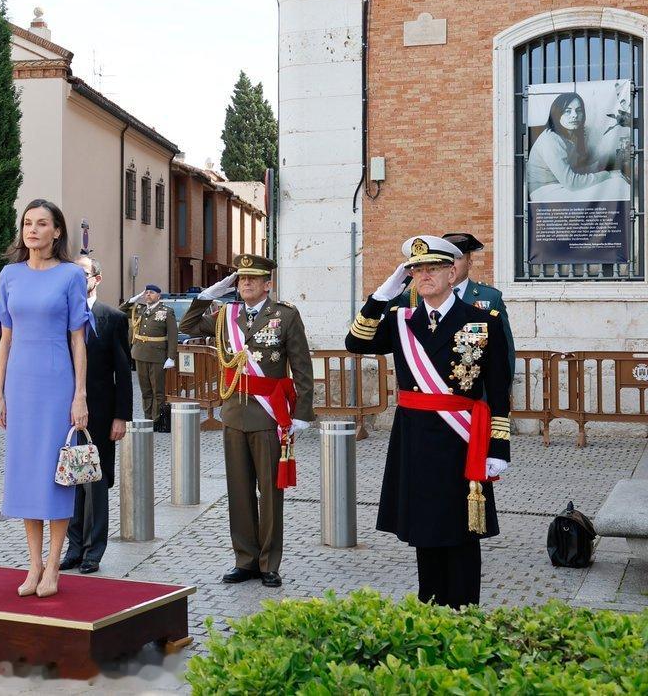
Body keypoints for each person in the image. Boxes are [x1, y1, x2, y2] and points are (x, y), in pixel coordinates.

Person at [345, 235, 512, 609]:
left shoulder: (483, 322)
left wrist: (498, 448)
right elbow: (355, 341)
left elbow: (498, 390)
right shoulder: (401, 321)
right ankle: (430, 609)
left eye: (433, 268)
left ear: (452, 273)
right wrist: (382, 294)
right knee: (426, 530)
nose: (424, 276)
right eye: (417, 270)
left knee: (462, 530)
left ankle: (465, 610)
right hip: (415, 441)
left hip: (462, 441)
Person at [179, 254, 314, 588]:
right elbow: (187, 326)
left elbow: (302, 366)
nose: (246, 284)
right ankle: (246, 559)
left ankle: (269, 562)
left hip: (269, 415)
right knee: (238, 491)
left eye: (253, 279)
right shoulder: (227, 315)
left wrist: (303, 414)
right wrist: (209, 294)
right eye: (241, 280)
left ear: (268, 283)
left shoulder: (285, 315)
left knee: (269, 492)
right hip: (235, 414)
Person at [0, 199, 90, 598]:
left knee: (55, 475)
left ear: (57, 231)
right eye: (27, 223)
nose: (32, 230)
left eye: (42, 223)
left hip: (55, 383)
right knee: (27, 474)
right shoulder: (9, 275)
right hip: (19, 383)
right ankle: (32, 566)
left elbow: (78, 339)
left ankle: (53, 567)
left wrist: (80, 395)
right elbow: (5, 338)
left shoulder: (70, 276)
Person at [60, 255, 131, 575]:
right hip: (65, 413)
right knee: (70, 482)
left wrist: (121, 416)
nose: (77, 278)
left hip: (101, 414)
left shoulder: (112, 318)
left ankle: (94, 551)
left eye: (83, 273)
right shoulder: (62, 315)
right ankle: (74, 548)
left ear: (96, 279)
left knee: (95, 484)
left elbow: (123, 373)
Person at [525, 92, 629, 202]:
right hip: (546, 194)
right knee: (615, 185)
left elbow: (573, 171)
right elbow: (572, 183)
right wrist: (607, 175)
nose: (574, 115)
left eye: (578, 110)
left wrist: (598, 167)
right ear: (556, 114)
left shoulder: (569, 136)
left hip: (561, 187)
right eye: (567, 111)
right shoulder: (550, 139)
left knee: (617, 182)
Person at [442, 232, 515, 380]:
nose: (452, 264)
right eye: (447, 259)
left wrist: (499, 396)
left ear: (469, 263)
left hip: (476, 392)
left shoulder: (490, 297)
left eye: (458, 258)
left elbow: (504, 352)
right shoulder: (423, 297)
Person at [120, 283, 177, 430]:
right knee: (145, 390)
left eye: (151, 293)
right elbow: (121, 310)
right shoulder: (140, 310)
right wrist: (135, 298)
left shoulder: (166, 311)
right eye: (146, 293)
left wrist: (171, 357)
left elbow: (172, 336)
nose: (148, 295)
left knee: (157, 390)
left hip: (157, 355)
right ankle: (147, 418)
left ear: (158, 295)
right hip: (140, 353)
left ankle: (157, 420)